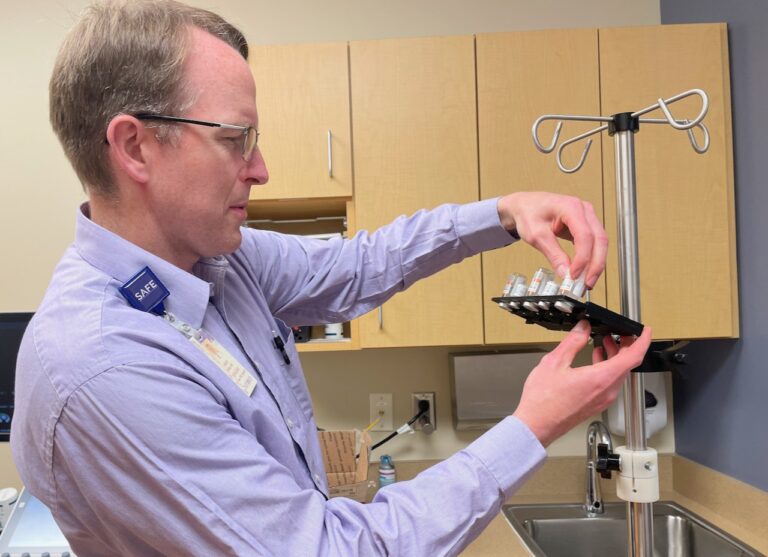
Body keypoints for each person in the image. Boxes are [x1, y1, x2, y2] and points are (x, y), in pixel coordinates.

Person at [11, 1, 651, 555]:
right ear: (135, 148)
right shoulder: (106, 368)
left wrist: (503, 214)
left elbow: (359, 265)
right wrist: (531, 427)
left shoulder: (216, 263)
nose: (260, 169)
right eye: (236, 139)